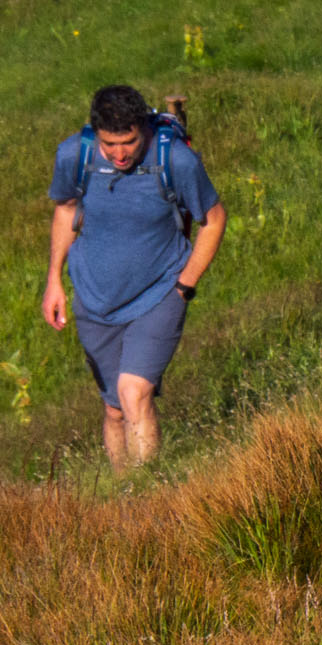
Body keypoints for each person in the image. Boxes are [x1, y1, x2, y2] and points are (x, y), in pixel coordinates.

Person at [41, 84, 225, 471]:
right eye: (111, 144)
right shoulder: (75, 155)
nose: (120, 154)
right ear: (96, 134)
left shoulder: (175, 160)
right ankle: (124, 502)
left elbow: (214, 219)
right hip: (94, 299)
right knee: (114, 410)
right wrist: (54, 280)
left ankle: (146, 494)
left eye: (129, 142)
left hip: (160, 292)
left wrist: (184, 285)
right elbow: (65, 211)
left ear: (143, 128)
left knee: (133, 392)